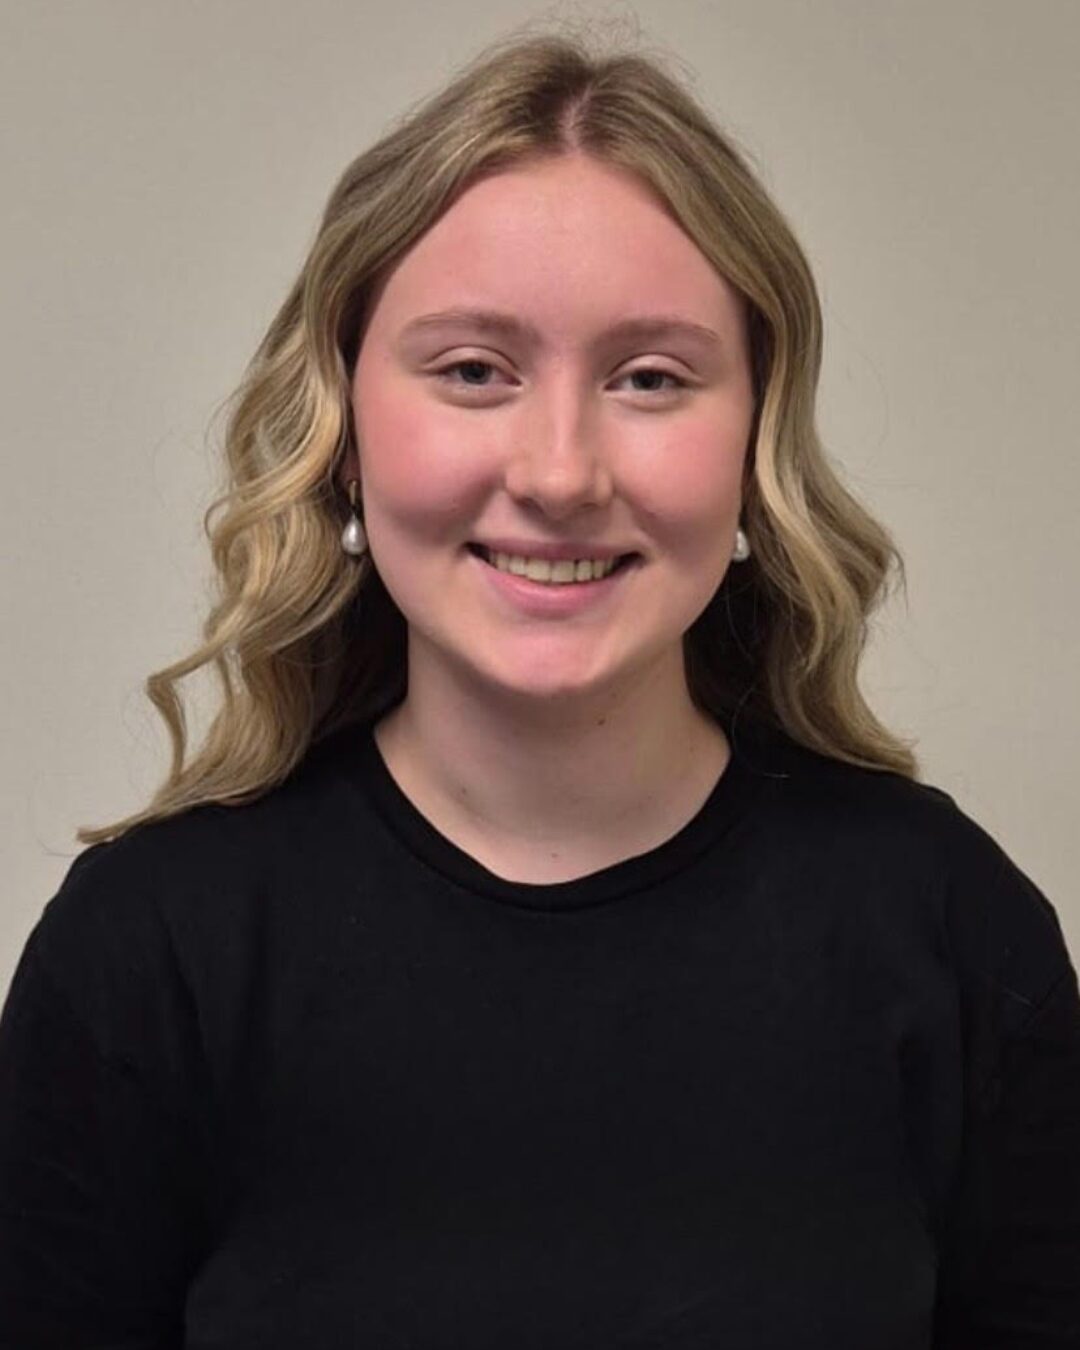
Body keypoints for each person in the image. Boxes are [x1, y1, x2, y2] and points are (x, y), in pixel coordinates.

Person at [1, 27, 1078, 1350]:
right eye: (473, 370)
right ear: (344, 432)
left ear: (757, 440)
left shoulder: (958, 936)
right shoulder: (145, 959)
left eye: (650, 378)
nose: (561, 472)